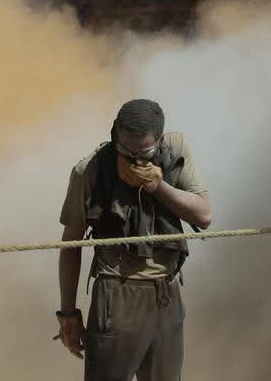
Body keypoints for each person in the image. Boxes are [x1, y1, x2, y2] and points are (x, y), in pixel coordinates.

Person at [57, 99, 212, 381]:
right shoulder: (90, 170)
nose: (133, 159)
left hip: (167, 291)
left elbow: (203, 216)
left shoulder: (174, 149)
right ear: (115, 134)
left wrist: (158, 186)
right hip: (117, 296)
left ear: (160, 140)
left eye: (144, 153)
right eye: (125, 150)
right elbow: (70, 245)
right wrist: (67, 315)